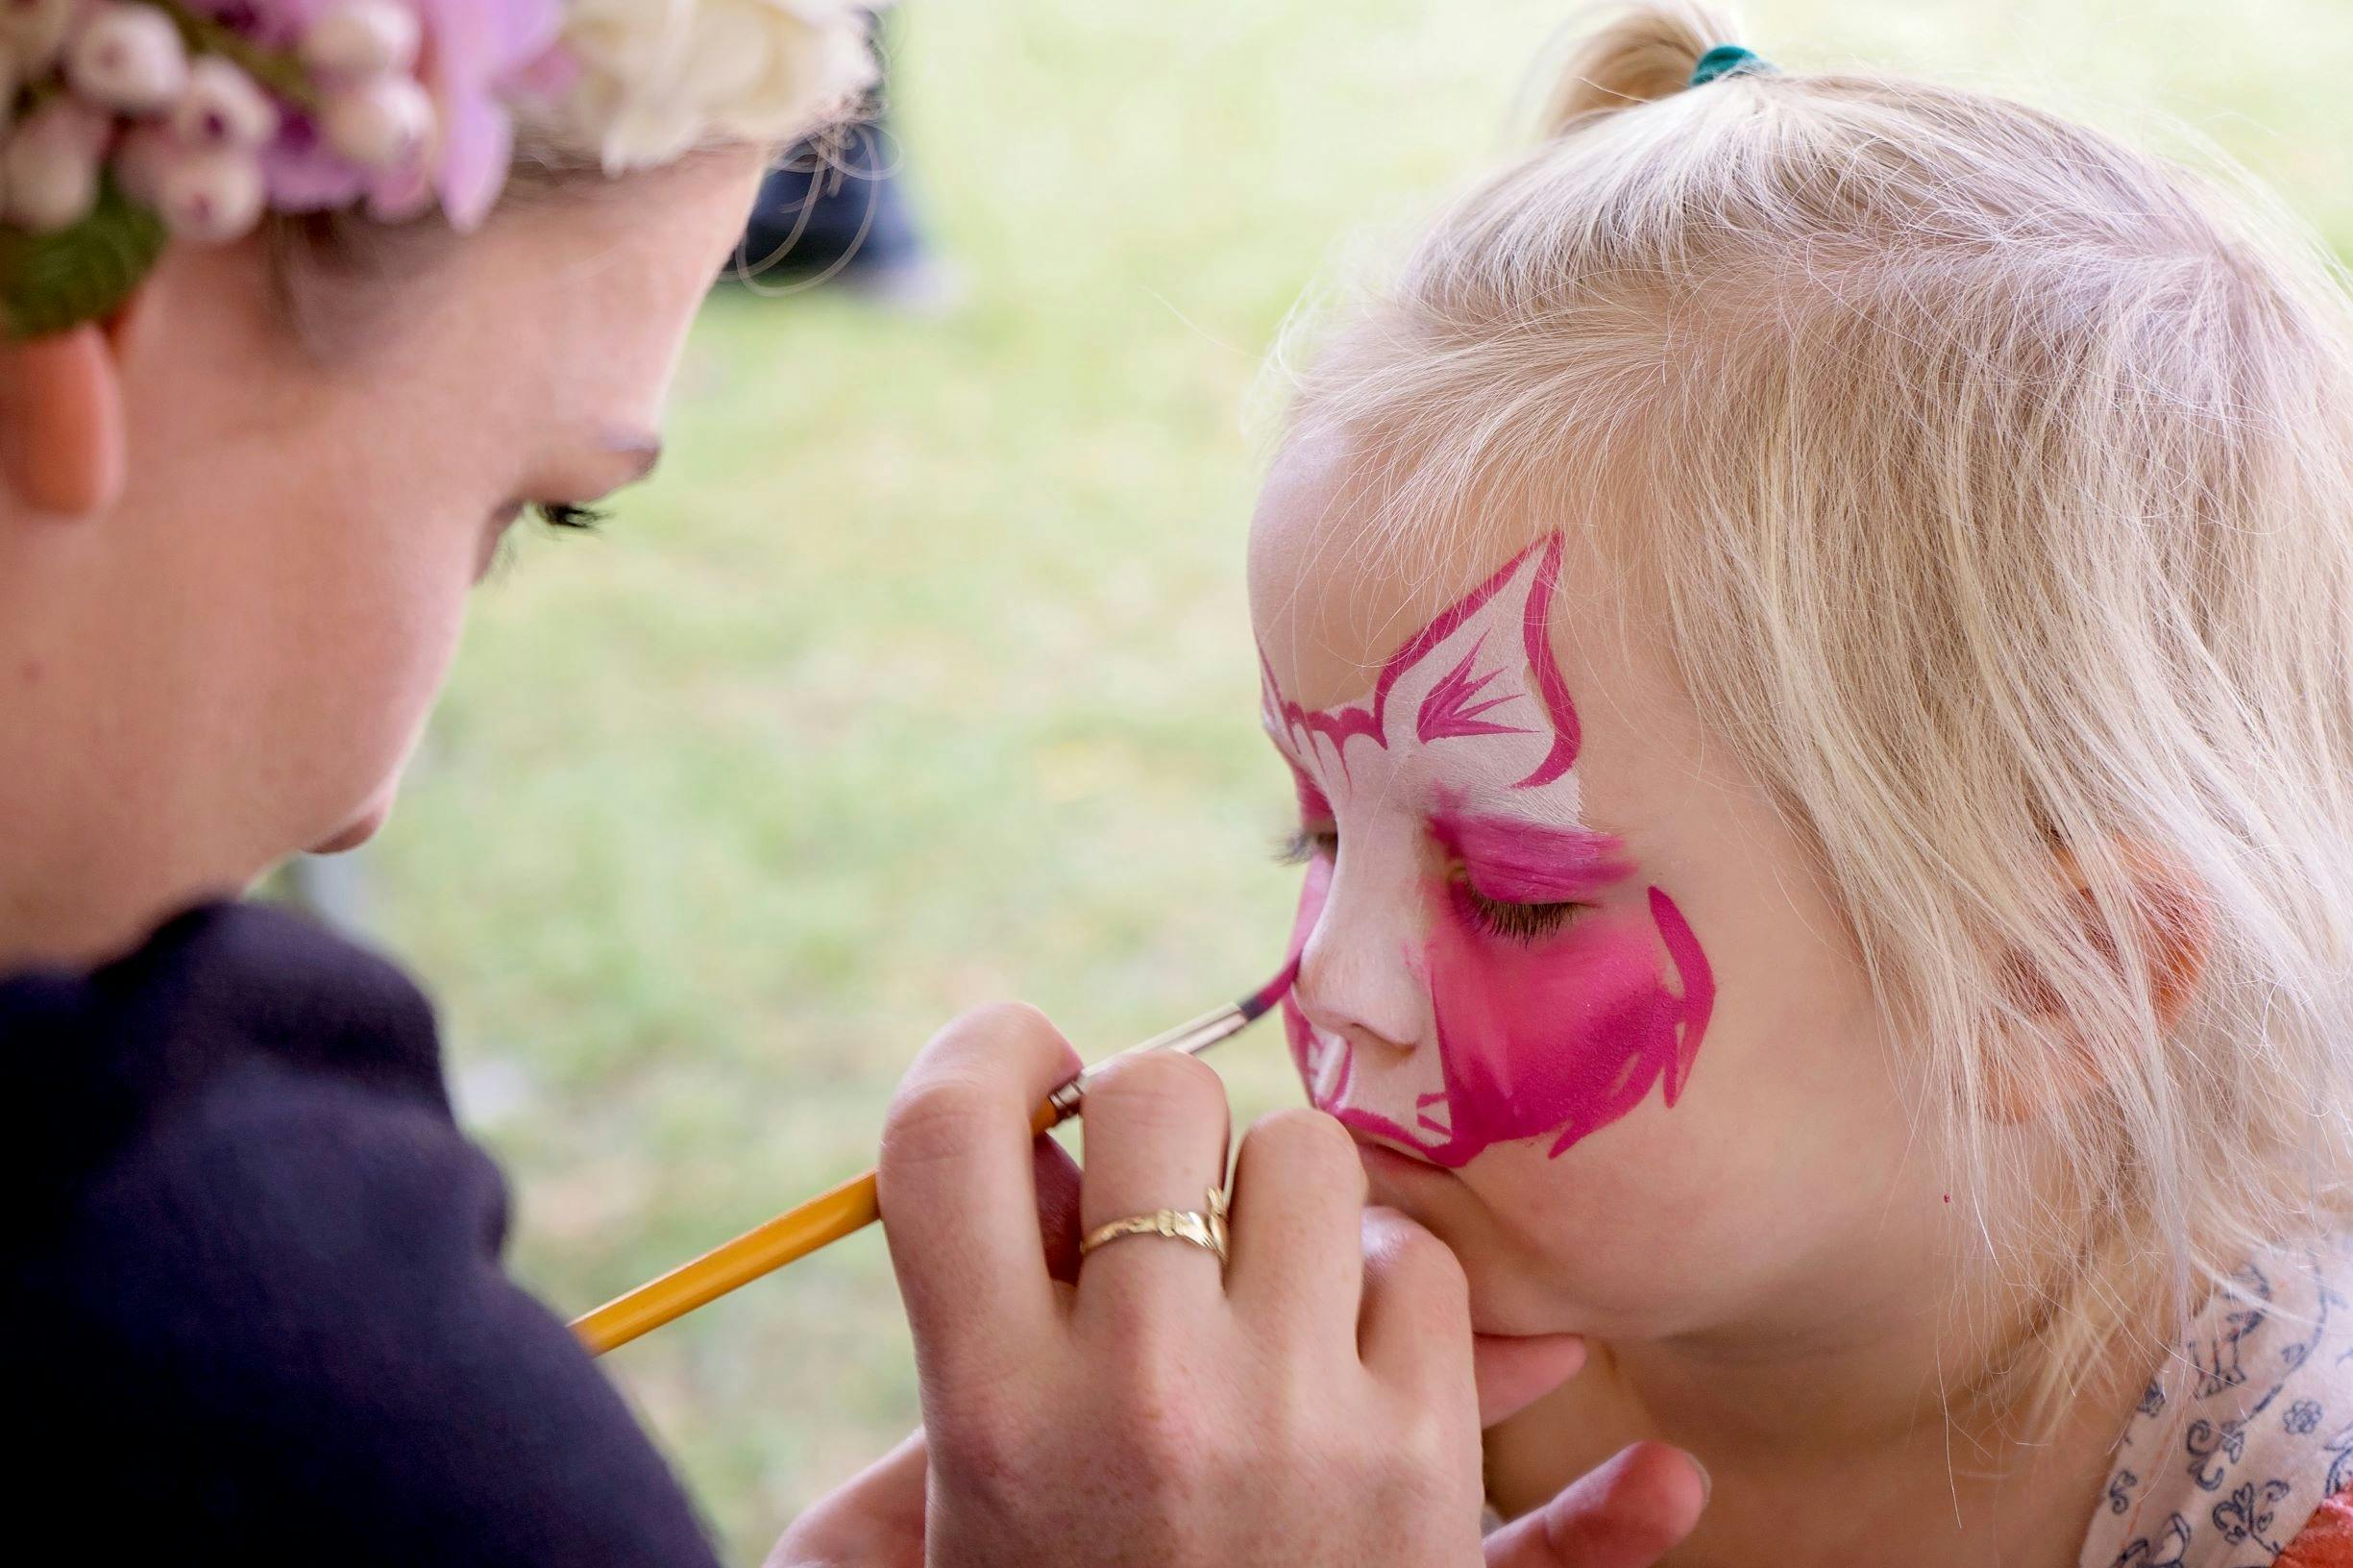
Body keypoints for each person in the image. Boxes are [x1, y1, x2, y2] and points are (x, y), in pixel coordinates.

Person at [0, 2, 1702, 1563]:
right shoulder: (227, 1351)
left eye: (1513, 887)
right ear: (96, 322)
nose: (365, 805)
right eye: (519, 506)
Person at [1245, 5, 2353, 1564]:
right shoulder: (1317, 1415)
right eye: (1313, 824)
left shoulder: (2282, 1497)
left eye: (1509, 892)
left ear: (2050, 982)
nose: (1324, 981)